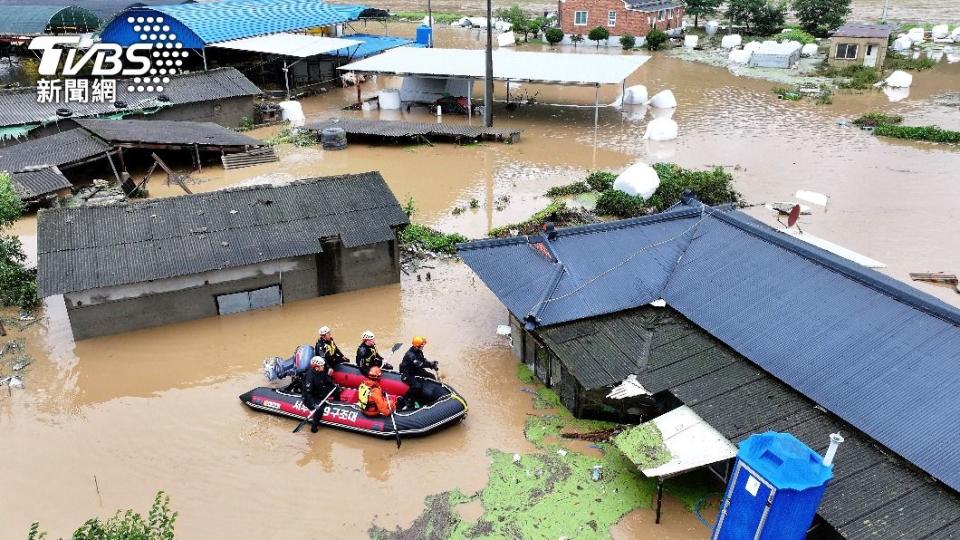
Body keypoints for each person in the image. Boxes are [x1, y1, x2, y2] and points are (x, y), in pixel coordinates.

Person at [398, 336, 438, 411]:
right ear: (417, 346)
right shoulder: (411, 355)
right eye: (422, 345)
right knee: (417, 386)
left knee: (431, 376)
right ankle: (408, 401)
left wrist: (431, 363)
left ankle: (433, 392)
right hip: (407, 373)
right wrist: (430, 365)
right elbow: (420, 364)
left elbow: (423, 360)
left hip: (415, 369)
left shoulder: (418, 351)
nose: (423, 346)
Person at [303, 356, 341, 433]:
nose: (324, 367)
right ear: (316, 368)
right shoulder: (309, 376)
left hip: (320, 392)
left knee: (337, 391)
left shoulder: (321, 372)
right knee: (319, 409)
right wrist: (313, 404)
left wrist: (334, 386)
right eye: (322, 366)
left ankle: (338, 404)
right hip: (310, 397)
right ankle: (314, 427)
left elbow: (327, 382)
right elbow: (308, 393)